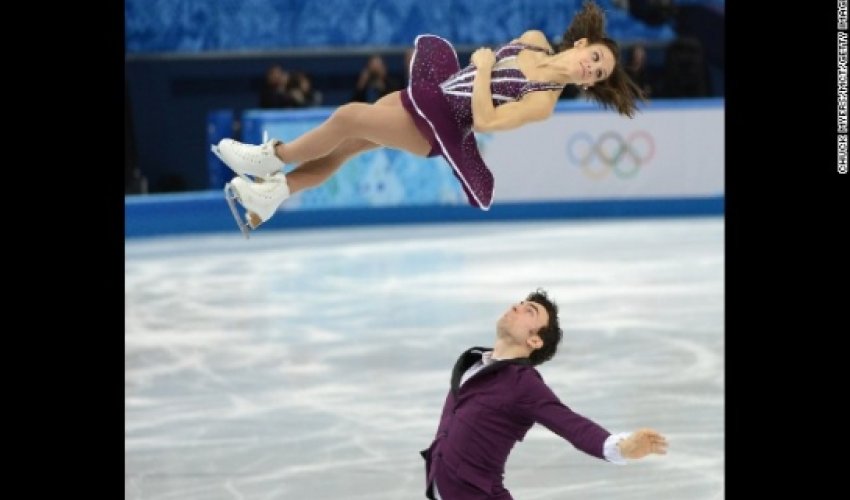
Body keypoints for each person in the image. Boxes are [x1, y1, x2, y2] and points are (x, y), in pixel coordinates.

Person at [212, 0, 645, 231]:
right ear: (582, 43)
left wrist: (487, 68)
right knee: (345, 148)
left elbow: (489, 120)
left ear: (590, 84)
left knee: (347, 118)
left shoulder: (543, 102)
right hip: (430, 95)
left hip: (440, 127)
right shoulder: (532, 40)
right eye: (595, 56)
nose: (592, 66)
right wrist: (483, 68)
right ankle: (270, 198)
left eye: (599, 71)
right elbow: (481, 69)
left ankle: (271, 157)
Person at [422, 289, 668, 499]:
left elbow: (569, 422)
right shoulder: (473, 363)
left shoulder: (522, 383)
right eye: (520, 304)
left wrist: (620, 447)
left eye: (530, 311)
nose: (517, 307)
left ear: (535, 341)